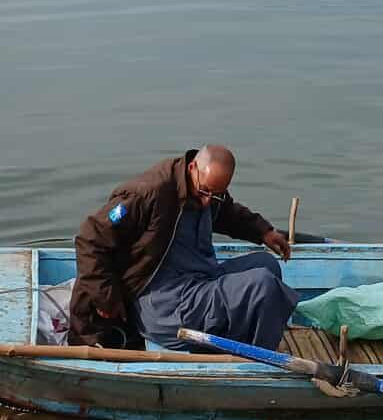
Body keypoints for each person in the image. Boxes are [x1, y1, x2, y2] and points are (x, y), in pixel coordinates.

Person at [68, 145, 295, 350]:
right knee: (263, 286)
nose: (208, 201)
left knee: (266, 264)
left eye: (216, 195)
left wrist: (264, 232)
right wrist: (106, 298)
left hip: (198, 281)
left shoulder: (208, 192)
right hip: (164, 305)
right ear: (193, 167)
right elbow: (90, 238)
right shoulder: (147, 194)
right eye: (205, 191)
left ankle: (244, 344)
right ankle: (261, 360)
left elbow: (227, 213)